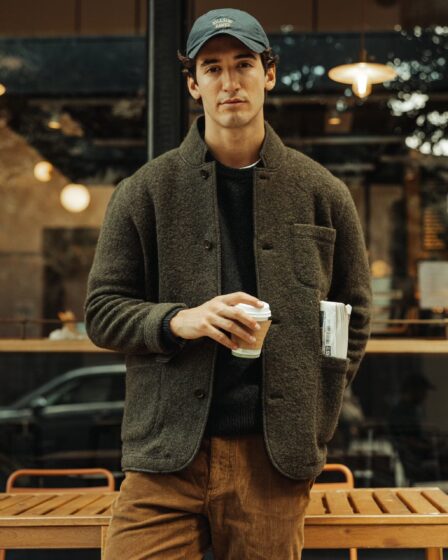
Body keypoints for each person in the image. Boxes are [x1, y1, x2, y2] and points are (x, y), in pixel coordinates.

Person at [84, 8, 372, 560]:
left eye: (243, 63)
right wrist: (176, 320)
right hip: (164, 457)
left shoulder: (322, 192)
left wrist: (318, 402)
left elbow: (351, 314)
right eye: (212, 68)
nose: (229, 81)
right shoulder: (145, 191)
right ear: (193, 84)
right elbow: (101, 310)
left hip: (272, 460)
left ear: (269, 74)